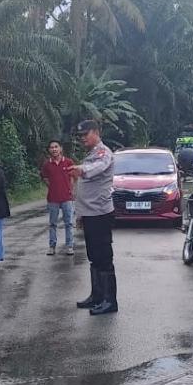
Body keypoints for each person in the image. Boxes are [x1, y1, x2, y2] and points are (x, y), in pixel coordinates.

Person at [67, 120, 118, 315]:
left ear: (96, 132)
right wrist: (80, 214)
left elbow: (99, 167)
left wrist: (82, 170)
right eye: (80, 135)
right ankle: (97, 296)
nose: (82, 138)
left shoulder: (103, 152)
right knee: (93, 257)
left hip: (100, 213)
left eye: (85, 134)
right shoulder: (90, 154)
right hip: (89, 213)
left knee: (104, 257)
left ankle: (109, 300)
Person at [40, 140, 76, 256]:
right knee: (52, 224)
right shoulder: (47, 165)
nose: (54, 149)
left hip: (67, 198)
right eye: (51, 147)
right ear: (49, 150)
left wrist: (70, 190)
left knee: (69, 223)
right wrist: (53, 187)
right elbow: (45, 179)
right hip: (53, 198)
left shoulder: (68, 162)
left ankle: (69, 246)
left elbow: (73, 177)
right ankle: (52, 246)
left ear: (60, 148)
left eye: (56, 147)